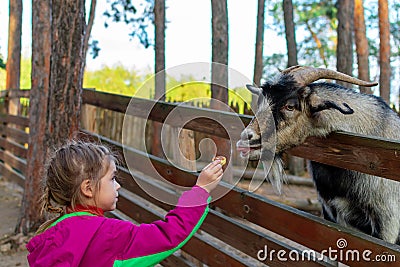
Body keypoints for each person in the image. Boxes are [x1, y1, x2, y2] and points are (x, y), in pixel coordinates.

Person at [26, 141, 224, 266]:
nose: (118, 185)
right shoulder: (108, 233)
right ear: (88, 188)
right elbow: (168, 236)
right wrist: (201, 190)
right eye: (112, 179)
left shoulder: (49, 235)